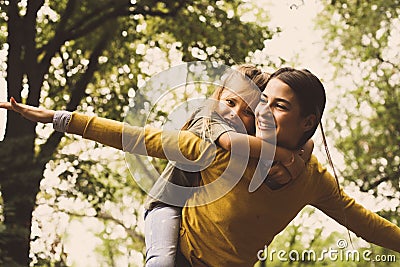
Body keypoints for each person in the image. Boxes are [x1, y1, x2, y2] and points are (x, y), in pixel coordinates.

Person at [1, 67, 399, 266]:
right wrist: (59, 117)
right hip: (184, 257)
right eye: (264, 102)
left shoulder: (312, 180)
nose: (263, 112)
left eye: (279, 106)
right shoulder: (220, 148)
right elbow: (138, 136)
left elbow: (363, 221)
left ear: (308, 122)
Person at [143, 65, 312, 267]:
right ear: (218, 96)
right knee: (161, 261)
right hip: (167, 203)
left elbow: (307, 143)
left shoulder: (251, 143)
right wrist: (287, 156)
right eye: (230, 102)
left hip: (199, 215)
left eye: (248, 111)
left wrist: (303, 153)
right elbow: (230, 142)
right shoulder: (208, 118)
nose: (235, 114)